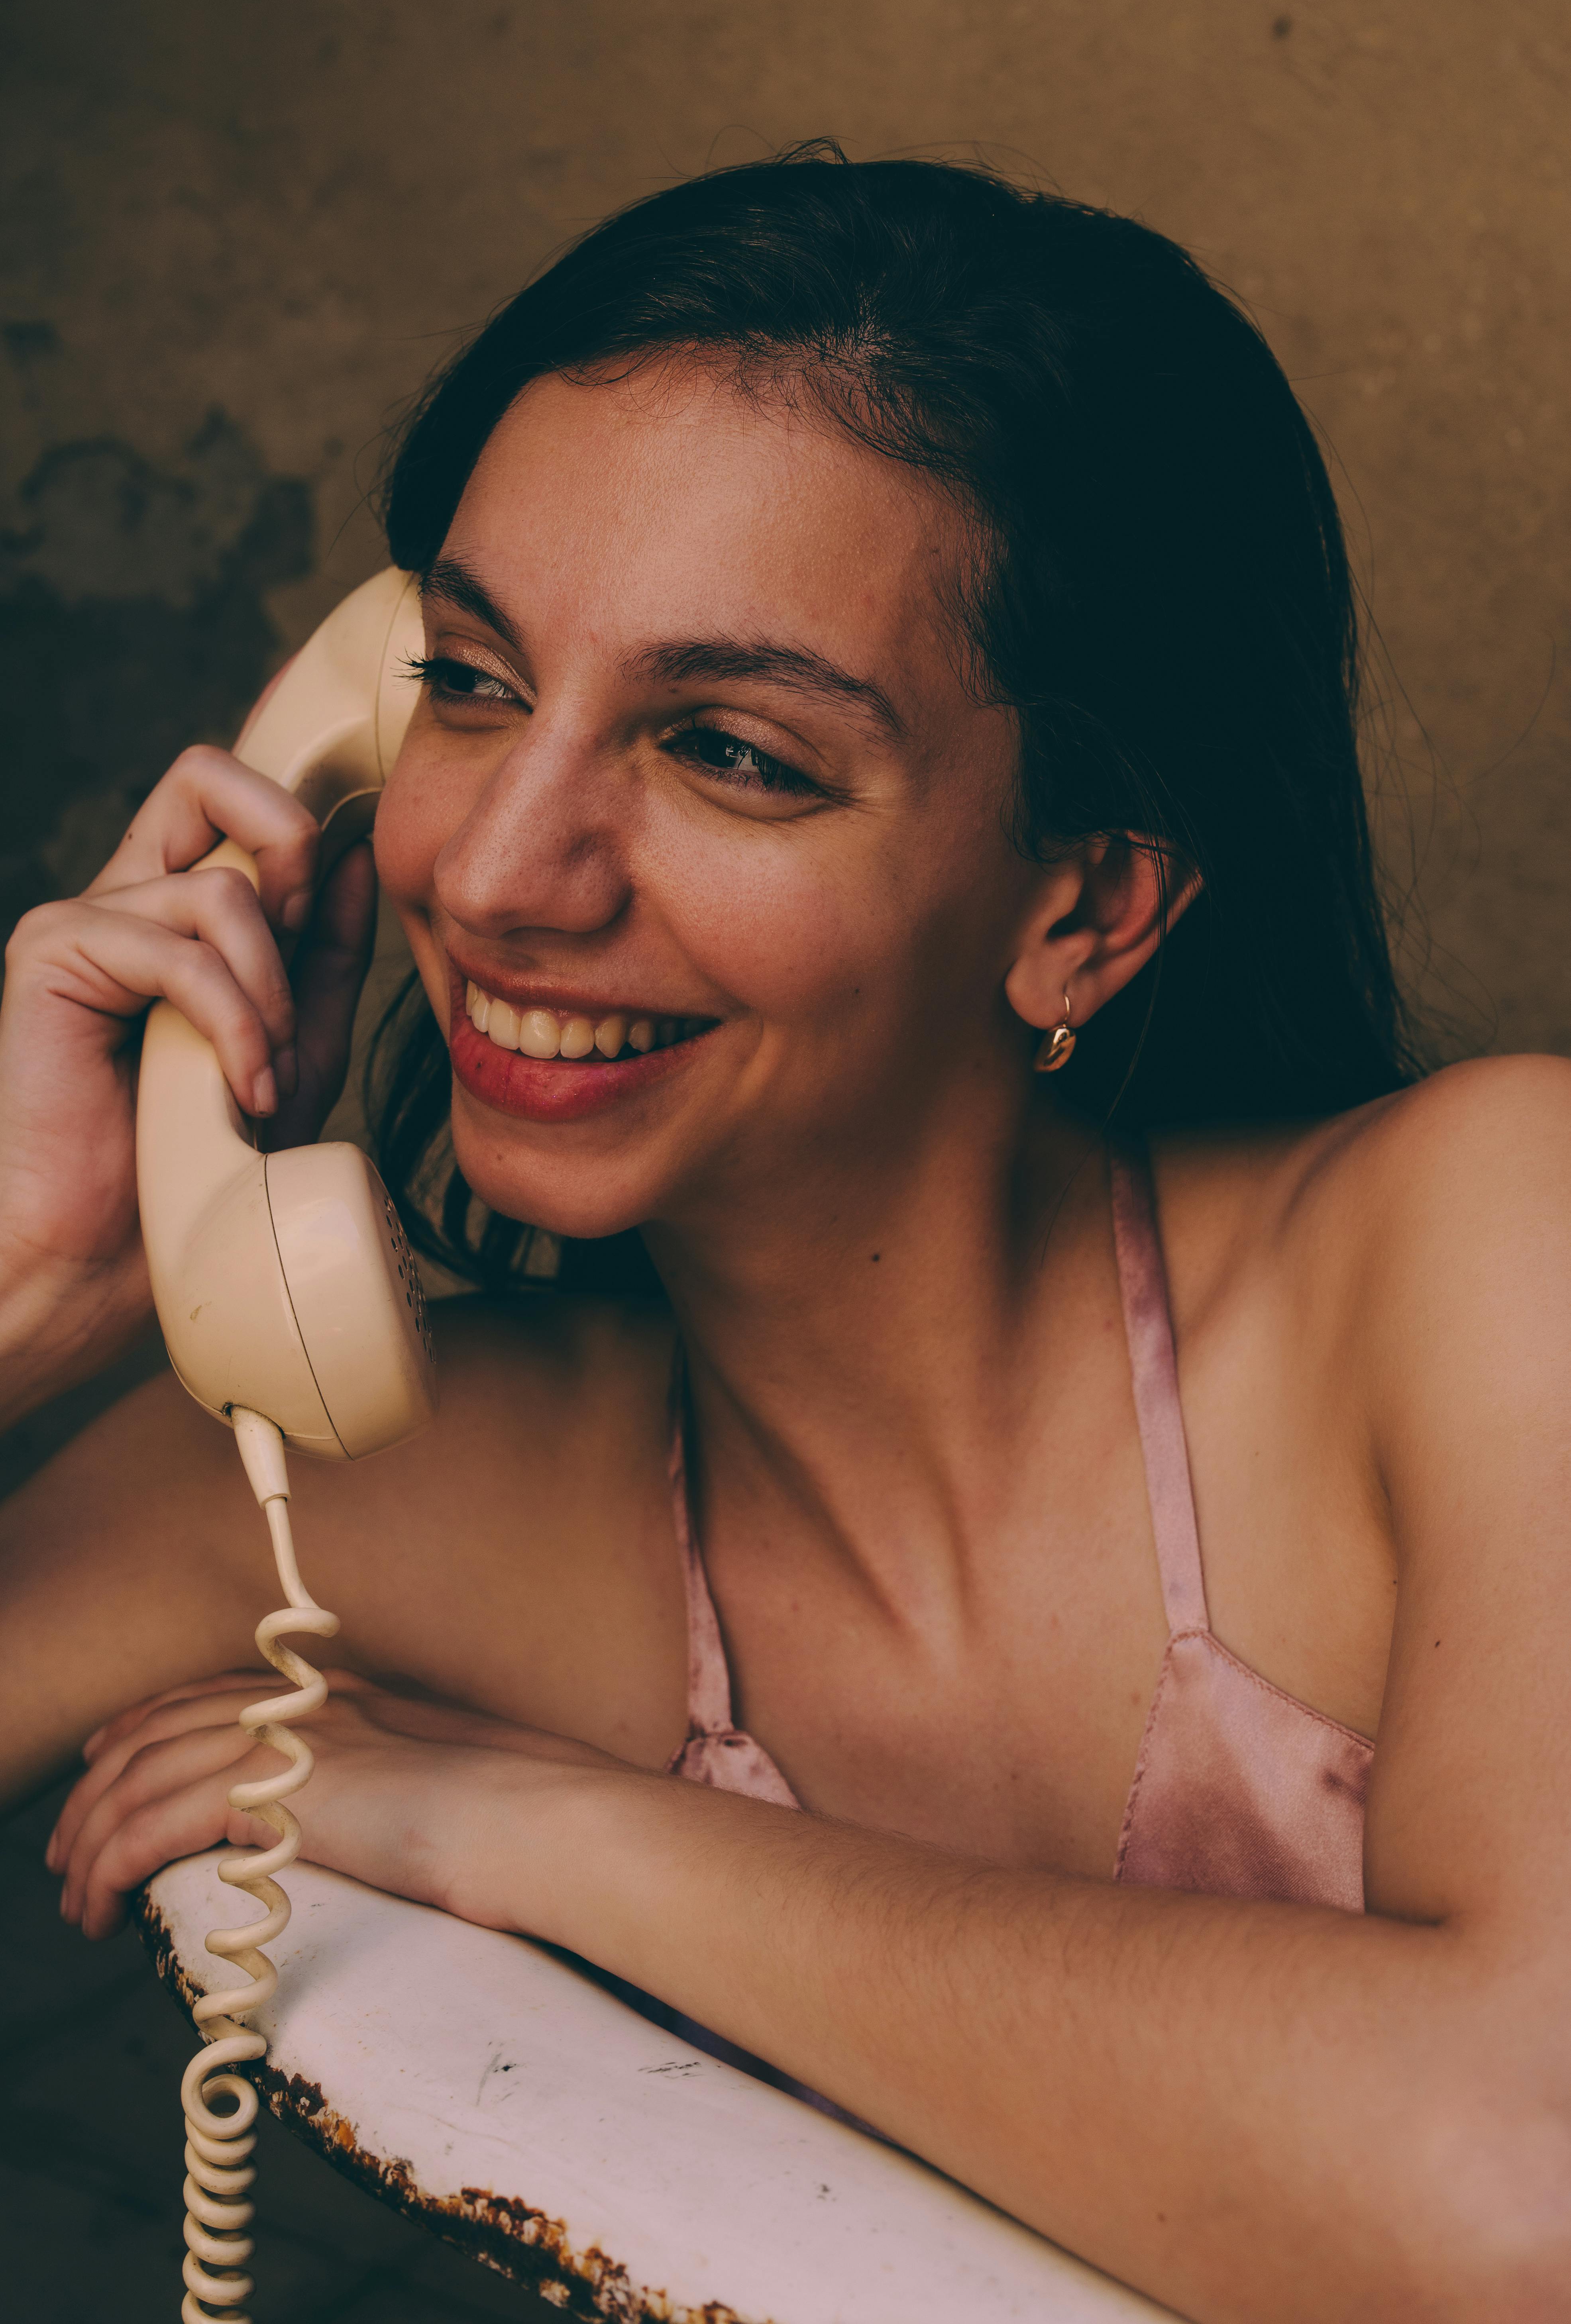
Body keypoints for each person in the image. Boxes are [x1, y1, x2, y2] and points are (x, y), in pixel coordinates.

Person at [2, 151, 1568, 2323]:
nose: (496, 873)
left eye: (726, 751)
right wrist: (21, 1287)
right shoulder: (354, 1486)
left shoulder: (1487, 1241)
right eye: (467, 682)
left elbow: (1523, 2187)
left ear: (1082, 905)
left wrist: (559, 1832)